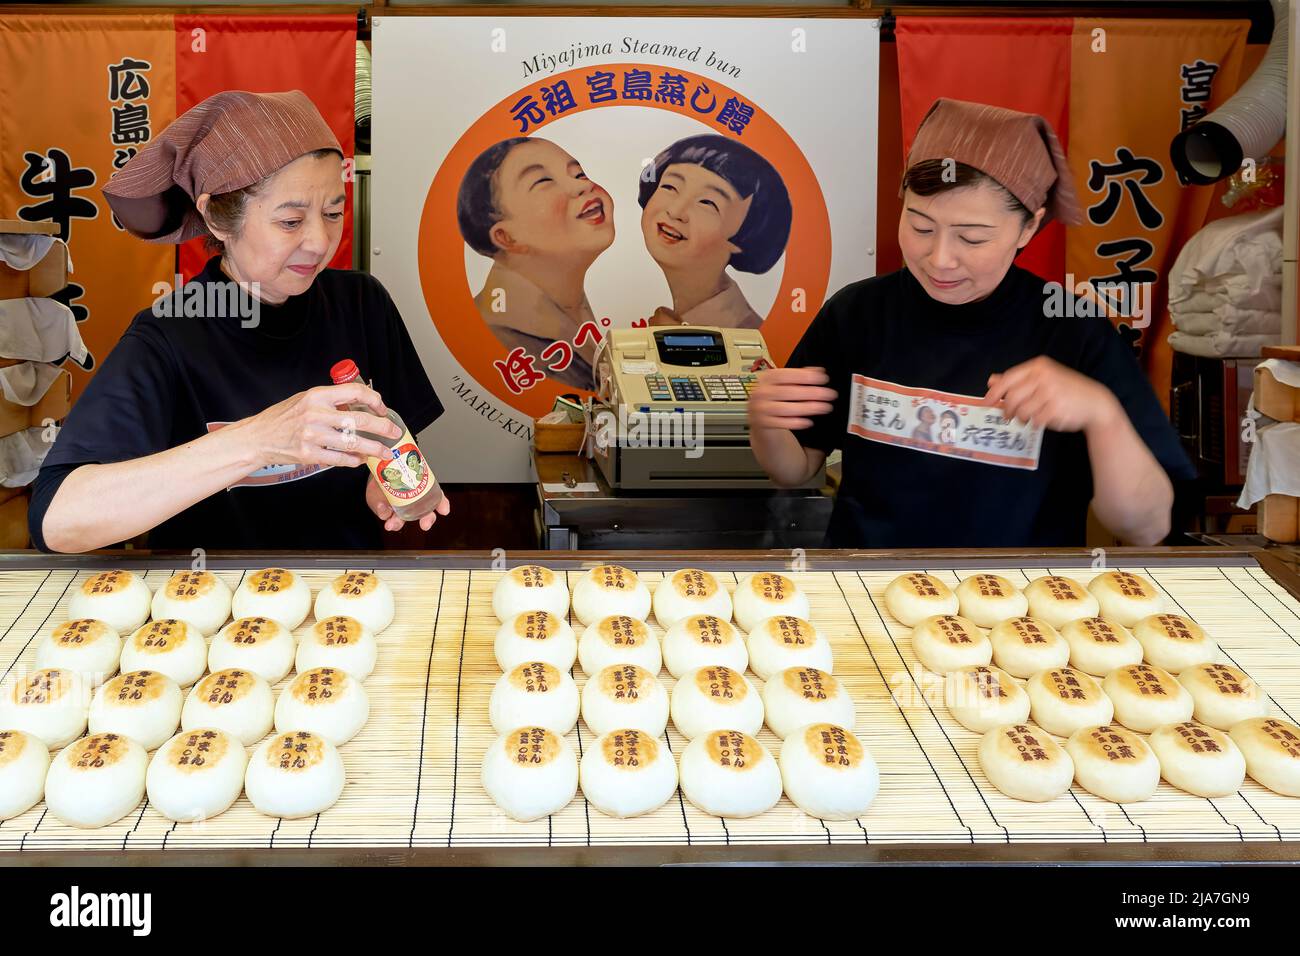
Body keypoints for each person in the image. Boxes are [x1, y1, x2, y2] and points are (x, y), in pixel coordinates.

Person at [748, 98, 1195, 548]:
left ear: (1027, 228)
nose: (939, 259)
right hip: (869, 592)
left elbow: (1146, 527)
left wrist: (1102, 414)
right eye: (921, 227)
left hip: (1019, 602)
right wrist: (766, 425)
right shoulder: (858, 314)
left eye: (972, 237)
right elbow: (797, 468)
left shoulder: (1073, 330)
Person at [30, 90, 451, 552]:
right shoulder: (168, 335)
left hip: (348, 594)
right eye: (290, 221)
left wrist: (385, 472)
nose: (319, 241)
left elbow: (397, 432)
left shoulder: (362, 303)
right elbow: (57, 519)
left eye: (333, 213)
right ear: (216, 217)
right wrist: (259, 440)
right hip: (210, 605)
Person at [457, 137, 614, 391]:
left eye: (579, 173)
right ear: (506, 237)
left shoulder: (567, 305)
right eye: (543, 181)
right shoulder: (503, 334)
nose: (581, 187)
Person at [639, 134, 791, 328]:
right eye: (670, 187)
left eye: (707, 203)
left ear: (747, 236)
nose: (676, 211)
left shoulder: (743, 334)